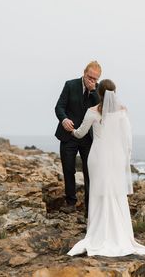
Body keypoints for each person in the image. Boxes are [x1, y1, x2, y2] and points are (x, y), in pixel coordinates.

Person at [67, 79, 145, 257]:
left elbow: (81, 133)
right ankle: (119, 232)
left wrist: (71, 130)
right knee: (115, 193)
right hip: (116, 157)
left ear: (99, 93)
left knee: (98, 192)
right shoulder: (122, 112)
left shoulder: (92, 112)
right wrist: (125, 157)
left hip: (98, 156)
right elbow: (128, 140)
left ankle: (98, 231)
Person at [55, 61, 101, 217]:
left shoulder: (98, 90)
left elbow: (101, 109)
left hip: (88, 139)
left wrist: (93, 91)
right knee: (68, 169)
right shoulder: (70, 85)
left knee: (90, 173)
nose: (91, 80)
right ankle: (71, 203)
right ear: (84, 72)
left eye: (95, 79)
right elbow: (59, 106)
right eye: (89, 77)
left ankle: (90, 209)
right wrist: (64, 119)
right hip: (68, 135)